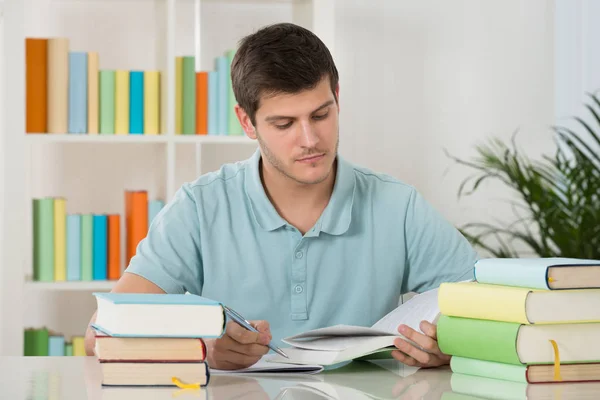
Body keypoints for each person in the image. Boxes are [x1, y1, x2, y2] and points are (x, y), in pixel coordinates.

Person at [84, 22, 478, 370]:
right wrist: (201, 349)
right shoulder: (200, 207)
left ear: (337, 97)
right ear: (247, 122)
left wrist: (450, 346)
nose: (310, 140)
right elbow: (97, 336)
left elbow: (488, 313)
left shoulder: (398, 206)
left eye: (321, 115)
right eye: (284, 123)